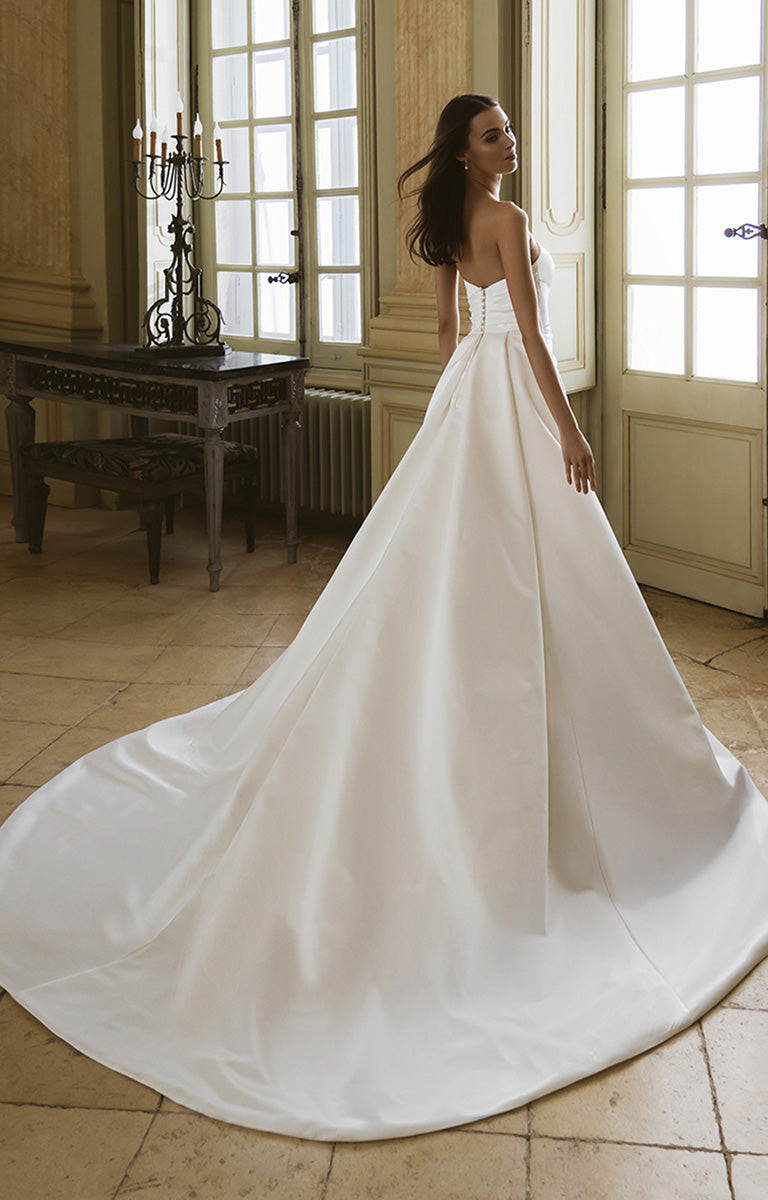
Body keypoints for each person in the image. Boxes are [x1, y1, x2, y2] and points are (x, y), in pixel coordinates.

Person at [1, 93, 768, 1144]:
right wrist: (569, 434)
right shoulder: (503, 217)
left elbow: (454, 337)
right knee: (523, 572)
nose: (508, 142)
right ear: (465, 149)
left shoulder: (451, 219)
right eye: (493, 134)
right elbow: (529, 336)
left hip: (467, 403)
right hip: (510, 399)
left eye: (509, 130)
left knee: (462, 574)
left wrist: (459, 420)